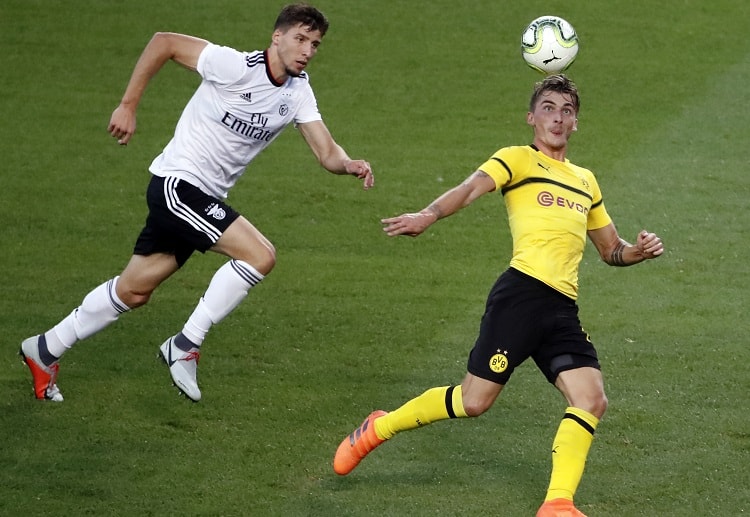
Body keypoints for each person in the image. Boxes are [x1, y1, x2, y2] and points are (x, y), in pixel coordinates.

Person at [333, 74, 663, 517]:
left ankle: (558, 504)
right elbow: (470, 188)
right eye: (548, 108)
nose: (558, 118)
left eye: (567, 111)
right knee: (474, 402)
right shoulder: (517, 160)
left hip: (562, 308)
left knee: (591, 399)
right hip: (522, 295)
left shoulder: (586, 180)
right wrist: (429, 215)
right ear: (531, 118)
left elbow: (610, 250)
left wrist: (638, 252)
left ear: (577, 122)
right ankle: (380, 426)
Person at [19, 3, 374, 403]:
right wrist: (128, 105)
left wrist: (348, 164)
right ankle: (185, 345)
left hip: (200, 198)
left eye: (315, 44)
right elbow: (164, 42)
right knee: (260, 256)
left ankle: (46, 348)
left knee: (134, 291)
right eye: (300, 39)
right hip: (177, 185)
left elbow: (326, 152)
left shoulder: (297, 93)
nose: (307, 50)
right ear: (277, 37)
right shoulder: (234, 66)